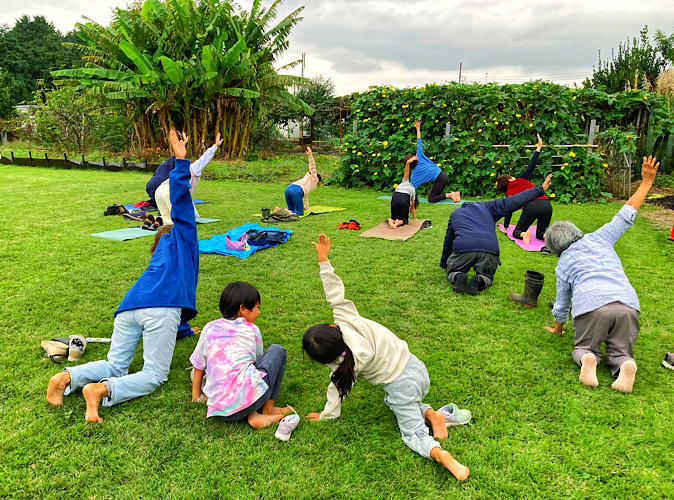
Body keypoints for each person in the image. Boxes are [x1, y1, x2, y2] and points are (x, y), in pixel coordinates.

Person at [46, 130, 199, 422]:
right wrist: (181, 163)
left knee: (115, 363)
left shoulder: (160, 254)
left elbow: (168, 304)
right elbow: (180, 204)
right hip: (160, 310)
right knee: (154, 375)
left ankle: (64, 379)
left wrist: (183, 329)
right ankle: (101, 391)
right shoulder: (184, 236)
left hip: (129, 308)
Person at [303, 233, 472, 481]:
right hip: (416, 368)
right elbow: (334, 291)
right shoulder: (346, 318)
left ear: (327, 359)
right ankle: (432, 415)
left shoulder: (343, 366)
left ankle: (442, 456)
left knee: (412, 433)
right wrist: (323, 260)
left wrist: (326, 415)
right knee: (395, 403)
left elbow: (335, 393)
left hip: (402, 386)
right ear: (331, 326)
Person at [544, 156, 659, 394]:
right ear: (577, 232)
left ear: (555, 248)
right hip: (627, 304)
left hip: (592, 307)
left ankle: (588, 359)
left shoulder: (563, 264)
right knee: (621, 350)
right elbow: (626, 214)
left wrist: (557, 328)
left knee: (584, 347)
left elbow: (563, 303)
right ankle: (625, 363)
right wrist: (646, 182)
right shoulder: (600, 236)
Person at [190, 281, 291, 429]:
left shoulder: (209, 327)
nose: (259, 312)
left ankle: (252, 414)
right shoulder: (251, 329)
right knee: (278, 350)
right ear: (243, 308)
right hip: (249, 400)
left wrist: (196, 397)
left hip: (218, 408)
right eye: (257, 307)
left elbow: (198, 364)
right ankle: (266, 410)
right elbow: (257, 364)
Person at [441, 174, 553, 295]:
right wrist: (539, 189)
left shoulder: (456, 213)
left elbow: (448, 240)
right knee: (487, 276)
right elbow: (514, 200)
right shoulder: (488, 207)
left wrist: (444, 263)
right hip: (489, 249)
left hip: (464, 249)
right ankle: (480, 279)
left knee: (453, 271)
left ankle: (458, 276)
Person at [148, 132, 223, 223]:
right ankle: (158, 220)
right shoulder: (193, 169)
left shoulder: (179, 170)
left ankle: (153, 220)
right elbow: (204, 158)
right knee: (180, 221)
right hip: (170, 191)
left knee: (168, 220)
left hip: (159, 191)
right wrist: (215, 146)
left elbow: (188, 200)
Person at [496, 133, 552, 245]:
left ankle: (523, 235)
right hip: (546, 204)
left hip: (532, 207)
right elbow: (531, 165)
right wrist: (538, 147)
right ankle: (549, 236)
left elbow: (508, 211)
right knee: (541, 232)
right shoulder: (521, 179)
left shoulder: (509, 194)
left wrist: (506, 226)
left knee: (516, 232)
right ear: (510, 178)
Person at [409, 119, 460, 203]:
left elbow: (410, 188)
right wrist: (418, 128)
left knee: (431, 199)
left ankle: (451, 195)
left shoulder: (415, 174)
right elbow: (419, 142)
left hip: (440, 178)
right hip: (442, 175)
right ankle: (456, 194)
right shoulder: (419, 156)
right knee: (435, 195)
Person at [282, 146, 321, 216]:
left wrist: (307, 207)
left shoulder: (305, 179)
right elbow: (312, 167)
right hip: (296, 191)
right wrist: (310, 156)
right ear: (318, 179)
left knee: (291, 211)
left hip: (288, 189)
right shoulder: (314, 179)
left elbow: (305, 195)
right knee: (300, 212)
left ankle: (279, 210)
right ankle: (284, 210)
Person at [387, 154, 419, 229]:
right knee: (405, 220)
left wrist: (408, 163)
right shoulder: (413, 191)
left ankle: (391, 222)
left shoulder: (404, 182)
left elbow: (406, 173)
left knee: (393, 217)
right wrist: (415, 219)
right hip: (404, 197)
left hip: (395, 196)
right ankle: (397, 223)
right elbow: (412, 208)